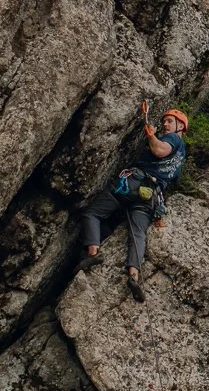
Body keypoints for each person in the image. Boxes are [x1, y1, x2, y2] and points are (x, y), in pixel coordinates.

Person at [77, 104, 189, 301]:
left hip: (134, 183)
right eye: (164, 121)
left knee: (92, 213)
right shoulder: (181, 157)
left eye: (170, 121)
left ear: (181, 126)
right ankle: (133, 276)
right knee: (138, 234)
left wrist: (151, 136)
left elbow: (159, 150)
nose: (165, 124)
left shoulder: (171, 139)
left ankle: (92, 253)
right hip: (151, 197)